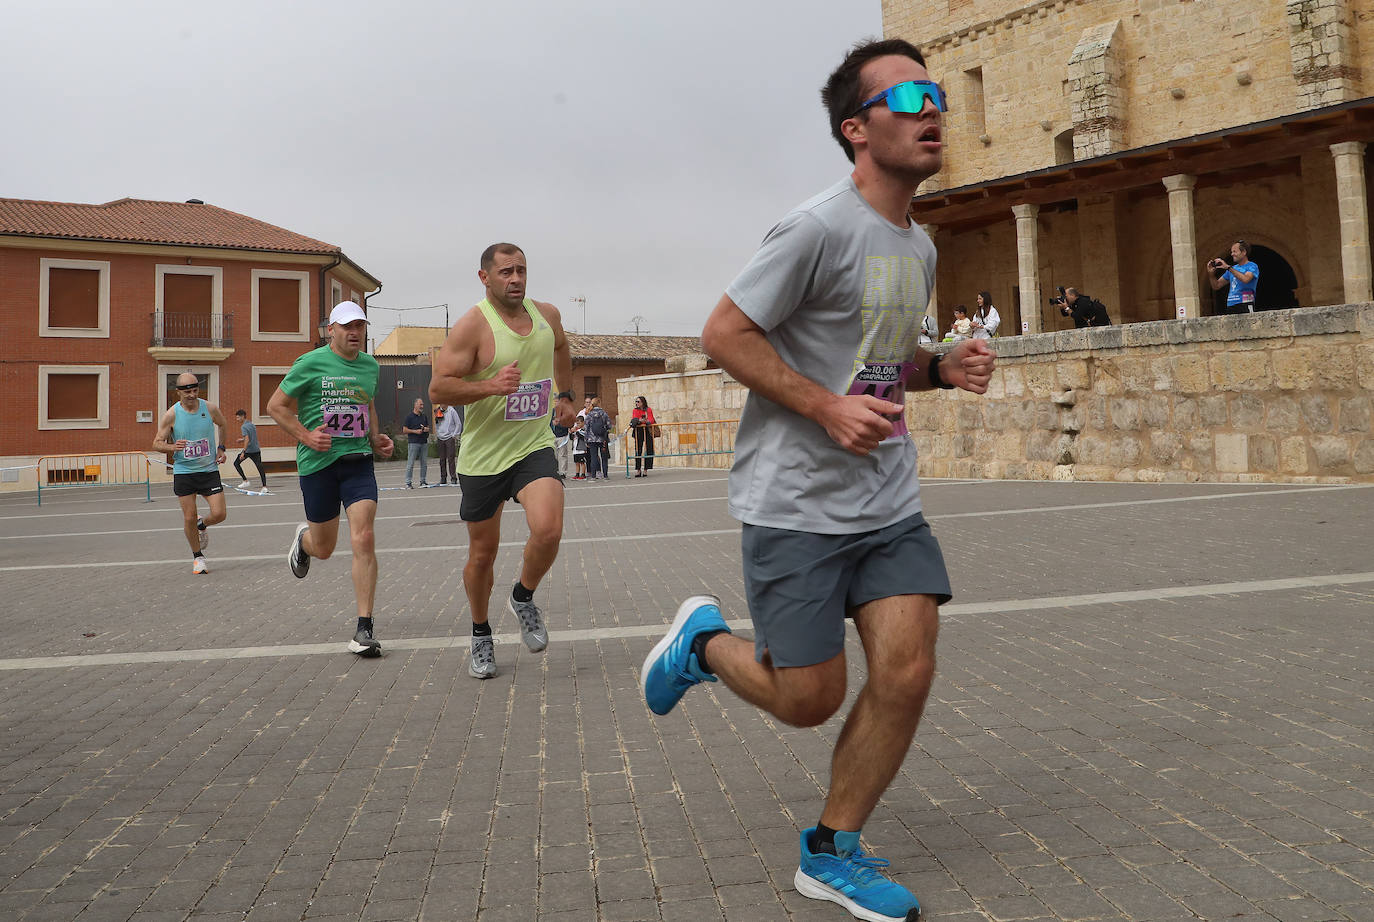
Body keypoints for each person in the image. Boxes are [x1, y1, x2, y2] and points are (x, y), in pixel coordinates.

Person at [641, 38, 996, 922]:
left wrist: (940, 370)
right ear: (855, 128)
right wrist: (823, 408)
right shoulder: (815, 227)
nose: (931, 109)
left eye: (937, 93)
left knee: (908, 671)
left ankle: (832, 850)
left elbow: (880, 362)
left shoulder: (917, 246)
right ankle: (704, 646)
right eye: (909, 95)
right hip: (795, 503)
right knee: (810, 699)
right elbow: (723, 334)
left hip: (886, 501)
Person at [429, 242, 576, 679]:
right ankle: (480, 633)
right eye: (506, 272)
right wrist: (491, 387)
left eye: (521, 271)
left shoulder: (547, 316)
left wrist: (565, 394)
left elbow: (562, 348)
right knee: (482, 554)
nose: (515, 279)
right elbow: (439, 389)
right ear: (485, 277)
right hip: (484, 457)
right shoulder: (472, 327)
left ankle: (523, 596)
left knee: (548, 529)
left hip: (532, 445)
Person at [266, 301, 394, 657]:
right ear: (331, 330)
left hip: (357, 462)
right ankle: (303, 541)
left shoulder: (370, 366)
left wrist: (375, 438)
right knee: (323, 548)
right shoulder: (310, 363)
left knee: (364, 536)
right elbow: (275, 406)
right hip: (318, 464)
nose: (354, 333)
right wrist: (306, 436)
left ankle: (364, 629)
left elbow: (365, 404)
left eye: (360, 326)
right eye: (347, 326)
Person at [152, 374, 229, 574]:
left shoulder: (209, 408)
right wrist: (172, 446)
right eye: (187, 392)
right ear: (178, 392)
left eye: (195, 391)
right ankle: (198, 558)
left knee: (220, 513)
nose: (192, 395)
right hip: (184, 471)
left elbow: (223, 424)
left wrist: (221, 447)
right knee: (188, 517)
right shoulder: (171, 415)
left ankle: (202, 524)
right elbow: (156, 443)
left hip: (208, 470)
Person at [1208, 240, 1259, 314]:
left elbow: (1246, 279)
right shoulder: (1232, 268)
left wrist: (1228, 268)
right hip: (1231, 305)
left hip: (1245, 303)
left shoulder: (1252, 266)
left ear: (1244, 252)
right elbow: (1216, 286)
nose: (1232, 254)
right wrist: (1211, 274)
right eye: (1231, 252)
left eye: (1234, 251)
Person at [232, 409, 269, 493]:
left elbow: (248, 439)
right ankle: (264, 487)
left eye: (238, 418)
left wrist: (243, 452)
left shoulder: (244, 427)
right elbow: (251, 437)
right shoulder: (251, 424)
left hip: (248, 450)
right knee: (260, 468)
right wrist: (242, 440)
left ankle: (245, 481)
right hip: (256, 449)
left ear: (242, 417)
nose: (237, 419)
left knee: (236, 463)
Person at [402, 397, 430, 488]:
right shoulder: (409, 417)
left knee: (424, 463)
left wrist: (425, 429)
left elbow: (428, 427)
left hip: (424, 442)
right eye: (420, 404)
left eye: (422, 404)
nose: (422, 406)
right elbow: (404, 430)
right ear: (415, 405)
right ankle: (408, 482)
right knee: (410, 463)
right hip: (413, 442)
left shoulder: (424, 416)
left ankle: (423, 481)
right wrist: (415, 431)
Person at [583, 396, 612, 480]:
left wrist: (586, 440)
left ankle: (593, 476)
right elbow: (609, 425)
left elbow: (586, 427)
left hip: (592, 439)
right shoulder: (603, 413)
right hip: (602, 438)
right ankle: (605, 475)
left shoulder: (589, 414)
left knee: (594, 457)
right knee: (604, 457)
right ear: (599, 403)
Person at [629, 395, 657, 477]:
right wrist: (640, 421)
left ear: (643, 402)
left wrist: (645, 421)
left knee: (649, 449)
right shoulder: (635, 410)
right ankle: (638, 470)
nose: (637, 403)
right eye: (636, 402)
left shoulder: (648, 409)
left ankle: (646, 469)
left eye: (638, 402)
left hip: (647, 430)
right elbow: (635, 419)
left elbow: (651, 419)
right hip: (639, 431)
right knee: (638, 450)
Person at [436, 403, 462, 486]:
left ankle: (453, 477)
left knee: (451, 458)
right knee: (442, 459)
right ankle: (443, 477)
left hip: (449, 437)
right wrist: (438, 432)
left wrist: (454, 435)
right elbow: (437, 423)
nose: (441, 405)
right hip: (440, 437)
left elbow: (458, 424)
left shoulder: (452, 411)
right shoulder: (438, 410)